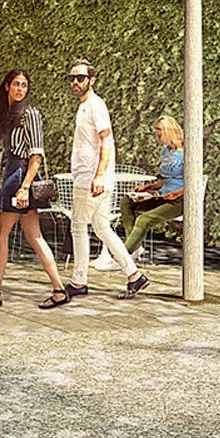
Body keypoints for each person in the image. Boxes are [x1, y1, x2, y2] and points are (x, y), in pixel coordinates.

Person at [0, 70, 69, 309]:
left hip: (21, 176)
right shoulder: (9, 115)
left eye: (24, 85)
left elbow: (36, 155)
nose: (20, 89)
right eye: (16, 84)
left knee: (1, 233)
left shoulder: (30, 114)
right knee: (32, 236)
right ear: (7, 86)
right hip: (14, 173)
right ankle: (59, 290)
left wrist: (24, 188)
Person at [69, 60, 151, 301]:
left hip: (92, 179)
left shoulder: (96, 105)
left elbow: (107, 141)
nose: (75, 82)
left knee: (78, 226)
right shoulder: (85, 106)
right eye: (72, 78)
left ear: (91, 80)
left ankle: (79, 280)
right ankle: (134, 275)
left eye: (81, 78)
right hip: (92, 178)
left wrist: (99, 176)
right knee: (102, 227)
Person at [124, 116, 185, 248]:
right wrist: (147, 187)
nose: (158, 136)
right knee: (127, 201)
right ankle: (133, 247)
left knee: (144, 220)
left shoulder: (187, 152)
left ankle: (123, 257)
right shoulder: (166, 151)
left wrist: (176, 194)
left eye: (160, 131)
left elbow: (193, 184)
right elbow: (164, 180)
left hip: (179, 200)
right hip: (163, 196)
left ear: (169, 131)